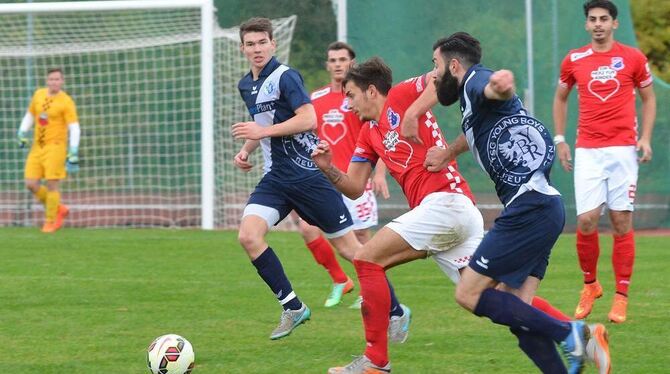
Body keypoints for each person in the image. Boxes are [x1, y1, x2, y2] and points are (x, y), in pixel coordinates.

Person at [423, 32, 611, 373]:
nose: (433, 75)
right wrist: (448, 153)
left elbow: (493, 89)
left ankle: (573, 333)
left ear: (453, 65)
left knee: (467, 294)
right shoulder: (473, 103)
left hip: (530, 207)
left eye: (436, 66)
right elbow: (476, 128)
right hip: (545, 207)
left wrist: (502, 84)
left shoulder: (474, 82)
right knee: (516, 311)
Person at [232, 18, 410, 341]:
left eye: (262, 42)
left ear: (273, 44)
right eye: (250, 44)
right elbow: (264, 122)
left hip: (309, 176)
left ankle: (396, 311)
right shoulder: (247, 85)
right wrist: (246, 149)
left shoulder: (286, 77)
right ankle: (293, 306)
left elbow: (308, 118)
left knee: (354, 251)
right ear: (242, 48)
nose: (257, 49)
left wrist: (262, 132)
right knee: (248, 236)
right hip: (276, 178)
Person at [315, 57, 485, 374]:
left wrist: (412, 113)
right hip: (451, 214)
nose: (347, 105)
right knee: (484, 298)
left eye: (350, 95)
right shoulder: (368, 133)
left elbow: (441, 77)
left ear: (370, 90)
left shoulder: (401, 95)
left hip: (446, 203)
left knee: (366, 260)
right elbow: (353, 187)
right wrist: (327, 168)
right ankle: (571, 333)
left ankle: (376, 361)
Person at [552, 0, 656, 325]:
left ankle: (621, 296)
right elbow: (560, 97)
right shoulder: (574, 59)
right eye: (593, 19)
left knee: (621, 221)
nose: (598, 24)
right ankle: (590, 285)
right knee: (586, 220)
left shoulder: (634, 58)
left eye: (604, 19)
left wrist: (646, 138)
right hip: (588, 150)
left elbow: (649, 98)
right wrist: (560, 140)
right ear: (587, 25)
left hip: (623, 150)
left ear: (614, 24)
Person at [297, 41, 390, 308]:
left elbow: (381, 134)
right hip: (324, 180)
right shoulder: (314, 100)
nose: (337, 64)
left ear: (352, 63)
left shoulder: (361, 98)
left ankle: (371, 291)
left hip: (355, 180)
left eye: (342, 59)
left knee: (362, 240)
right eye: (332, 60)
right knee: (307, 228)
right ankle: (340, 279)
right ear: (327, 65)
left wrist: (380, 172)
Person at [17, 67, 80, 233]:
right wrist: (22, 131)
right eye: (51, 79)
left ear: (62, 81)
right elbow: (31, 115)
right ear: (47, 80)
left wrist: (73, 150)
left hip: (56, 147)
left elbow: (74, 127)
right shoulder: (39, 94)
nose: (54, 82)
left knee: (52, 184)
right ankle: (58, 207)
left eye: (57, 79)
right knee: (30, 183)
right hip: (38, 147)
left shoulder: (66, 101)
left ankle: (50, 221)